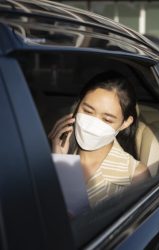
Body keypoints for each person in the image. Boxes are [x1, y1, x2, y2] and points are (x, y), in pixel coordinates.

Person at [48, 71, 150, 207]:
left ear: (125, 123)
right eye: (88, 111)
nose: (92, 124)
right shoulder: (55, 154)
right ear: (78, 105)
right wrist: (58, 159)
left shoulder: (135, 175)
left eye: (107, 119)